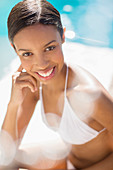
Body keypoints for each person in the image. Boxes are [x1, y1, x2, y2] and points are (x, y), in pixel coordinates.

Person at [1, 0, 113, 169]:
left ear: (62, 37)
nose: (42, 64)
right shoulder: (34, 84)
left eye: (49, 48)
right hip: (67, 159)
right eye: (27, 53)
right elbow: (6, 151)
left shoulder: (87, 94)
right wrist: (13, 103)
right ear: (15, 49)